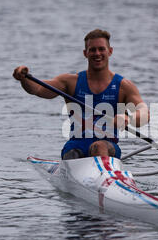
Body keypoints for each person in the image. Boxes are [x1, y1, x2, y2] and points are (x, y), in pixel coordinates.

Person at [13, 29, 149, 159]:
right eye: (92, 50)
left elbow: (144, 113)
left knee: (99, 146)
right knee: (71, 153)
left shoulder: (123, 86)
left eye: (101, 49)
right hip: (76, 145)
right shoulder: (70, 82)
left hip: (107, 147)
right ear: (85, 53)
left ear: (110, 51)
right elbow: (37, 89)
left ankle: (102, 177)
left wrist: (128, 118)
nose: (97, 53)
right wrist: (24, 79)